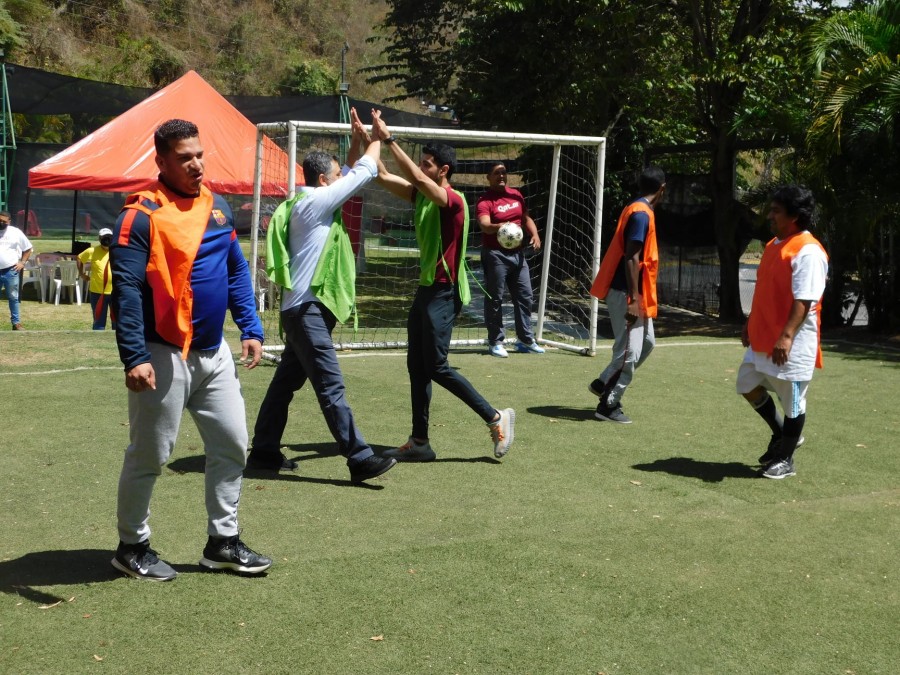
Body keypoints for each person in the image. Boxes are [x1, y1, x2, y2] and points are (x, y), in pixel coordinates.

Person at [109, 119, 271, 581]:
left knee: (233, 444)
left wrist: (251, 327)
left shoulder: (217, 207)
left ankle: (222, 542)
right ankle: (132, 546)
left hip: (213, 353)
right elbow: (125, 290)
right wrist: (134, 357)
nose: (197, 163)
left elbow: (237, 271)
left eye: (200, 154)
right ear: (160, 161)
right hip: (162, 354)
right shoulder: (140, 215)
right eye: (185, 157)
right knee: (150, 456)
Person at [247, 108, 397, 483]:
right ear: (320, 180)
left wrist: (359, 141)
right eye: (334, 177)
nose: (339, 180)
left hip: (301, 311)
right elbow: (362, 173)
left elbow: (348, 172)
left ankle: (264, 452)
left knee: (283, 386)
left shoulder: (309, 199)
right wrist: (378, 137)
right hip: (307, 313)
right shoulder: (316, 203)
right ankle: (359, 457)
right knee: (330, 385)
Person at [369, 111, 515, 462]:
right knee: (416, 367)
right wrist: (367, 137)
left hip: (444, 293)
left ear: (443, 170)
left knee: (436, 365)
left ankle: (496, 417)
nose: (422, 169)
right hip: (425, 292)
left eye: (428, 164)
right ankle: (420, 442)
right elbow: (381, 173)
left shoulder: (453, 201)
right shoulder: (421, 195)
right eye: (423, 164)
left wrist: (389, 140)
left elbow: (417, 179)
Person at [737, 185, 828, 480]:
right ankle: (783, 435)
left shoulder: (809, 251)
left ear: (795, 216)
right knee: (746, 384)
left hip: (792, 343)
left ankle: (786, 459)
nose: (770, 216)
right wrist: (750, 323)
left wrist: (787, 336)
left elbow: (805, 299)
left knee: (793, 403)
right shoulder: (775, 244)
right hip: (763, 336)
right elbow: (764, 290)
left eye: (776, 211)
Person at [588, 166, 666, 424]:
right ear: (662, 189)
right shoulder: (641, 214)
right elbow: (631, 257)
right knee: (628, 352)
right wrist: (634, 298)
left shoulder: (637, 208)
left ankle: (603, 382)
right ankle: (608, 405)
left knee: (647, 344)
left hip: (633, 292)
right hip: (626, 293)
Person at [476, 162, 545, 357]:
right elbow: (485, 225)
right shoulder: (485, 201)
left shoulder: (516, 195)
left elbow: (525, 218)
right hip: (495, 255)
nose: (501, 176)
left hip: (518, 255)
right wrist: (503, 227)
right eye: (497, 173)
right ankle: (496, 341)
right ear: (488, 177)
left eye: (504, 173)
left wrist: (535, 235)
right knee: (495, 298)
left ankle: (525, 340)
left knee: (525, 296)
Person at [77, 228, 116, 330]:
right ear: (99, 238)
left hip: (115, 292)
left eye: (109, 237)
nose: (106, 239)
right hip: (97, 293)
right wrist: (82, 274)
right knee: (99, 322)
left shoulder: (117, 251)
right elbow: (80, 258)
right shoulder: (92, 251)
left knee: (117, 323)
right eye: (104, 237)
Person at [0, 210, 33, 330]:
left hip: (11, 270)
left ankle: (16, 323)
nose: (1, 223)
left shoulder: (15, 232)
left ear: (9, 221)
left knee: (13, 297)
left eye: (4, 221)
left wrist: (22, 262)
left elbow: (28, 248)